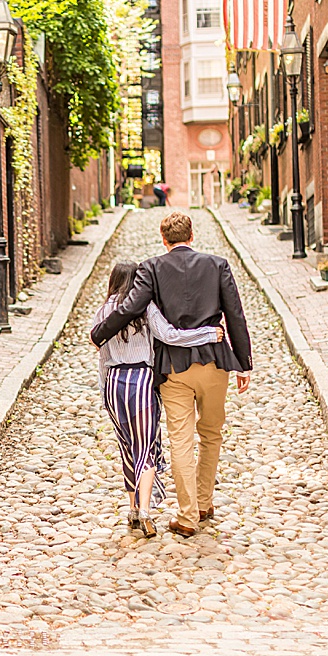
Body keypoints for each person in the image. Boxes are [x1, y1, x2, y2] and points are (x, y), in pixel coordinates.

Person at [91, 212, 252, 539]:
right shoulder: (218, 264)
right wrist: (243, 363)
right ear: (192, 236)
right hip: (215, 363)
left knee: (180, 439)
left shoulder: (151, 267)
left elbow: (131, 307)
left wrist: (100, 333)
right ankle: (205, 502)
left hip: (174, 369)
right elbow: (235, 313)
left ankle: (188, 515)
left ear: (164, 240)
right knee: (211, 434)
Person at [92, 261, 223, 538]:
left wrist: (104, 393)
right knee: (145, 448)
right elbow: (169, 336)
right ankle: (144, 511)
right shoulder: (145, 308)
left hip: (114, 382)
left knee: (126, 447)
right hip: (141, 379)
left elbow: (102, 357)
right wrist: (208, 333)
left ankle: (131, 509)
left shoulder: (103, 311)